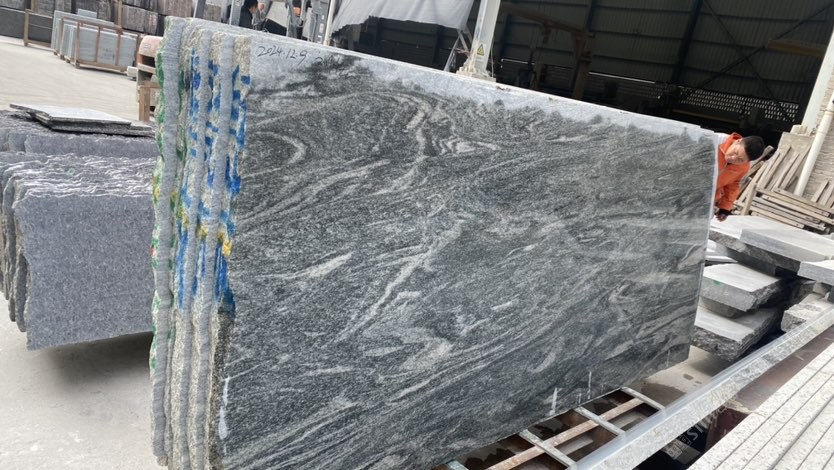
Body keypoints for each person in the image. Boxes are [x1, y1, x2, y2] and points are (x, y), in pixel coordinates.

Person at [714, 133, 765, 221]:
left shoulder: (743, 168)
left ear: (747, 161)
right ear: (737, 141)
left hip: (707, 198)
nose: (733, 158)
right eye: (735, 152)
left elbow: (732, 186)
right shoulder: (716, 140)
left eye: (740, 160)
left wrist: (725, 208)